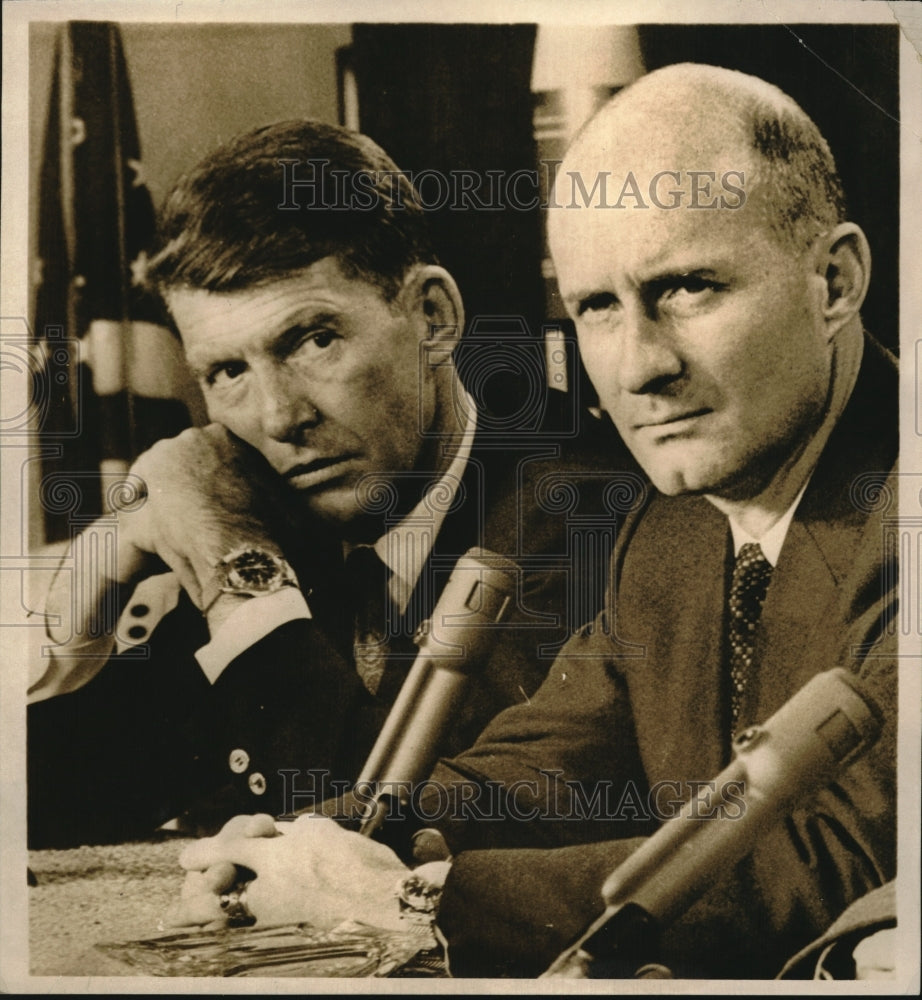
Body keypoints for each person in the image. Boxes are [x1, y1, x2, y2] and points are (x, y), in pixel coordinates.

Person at [168, 64, 899, 980]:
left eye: (686, 288)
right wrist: (345, 839)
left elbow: (849, 864)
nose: (637, 367)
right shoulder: (679, 515)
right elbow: (552, 764)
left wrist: (412, 900)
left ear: (834, 281)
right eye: (597, 306)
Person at [27, 120, 628, 847]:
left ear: (432, 318)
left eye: (315, 340)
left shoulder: (586, 511)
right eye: (228, 372)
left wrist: (239, 573)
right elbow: (50, 797)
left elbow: (399, 834)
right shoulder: (275, 508)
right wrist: (85, 605)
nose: (279, 418)